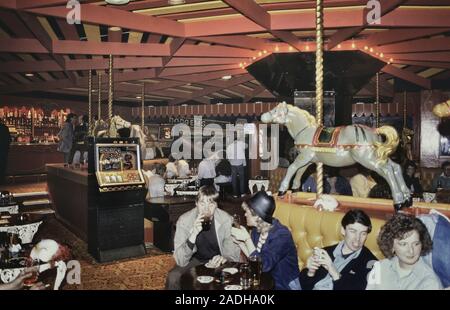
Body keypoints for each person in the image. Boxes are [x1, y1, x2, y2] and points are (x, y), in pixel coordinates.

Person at [165, 185, 240, 290]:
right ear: (196, 204)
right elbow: (180, 260)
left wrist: (223, 259)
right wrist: (193, 234)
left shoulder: (226, 220)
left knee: (230, 279)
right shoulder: (184, 221)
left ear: (216, 205)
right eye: (202, 203)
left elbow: (233, 256)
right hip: (195, 259)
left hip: (218, 260)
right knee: (173, 277)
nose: (206, 209)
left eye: (211, 204)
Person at [231, 191, 301, 290]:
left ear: (257, 215)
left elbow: (264, 266)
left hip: (285, 284)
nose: (245, 215)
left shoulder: (282, 235)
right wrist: (241, 244)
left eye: (247, 212)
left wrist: (247, 239)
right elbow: (255, 260)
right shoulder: (257, 229)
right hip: (266, 281)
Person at [299, 209, 377, 290]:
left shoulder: (371, 264)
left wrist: (334, 272)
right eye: (353, 231)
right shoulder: (326, 252)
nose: (357, 239)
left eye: (363, 233)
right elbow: (304, 286)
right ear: (343, 230)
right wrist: (310, 273)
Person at [366, 213, 442, 290]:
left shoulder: (430, 282)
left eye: (416, 244)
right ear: (391, 245)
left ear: (422, 244)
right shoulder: (380, 268)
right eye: (403, 244)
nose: (411, 251)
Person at [226, 131, 248, 197]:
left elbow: (227, 157)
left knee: (234, 179)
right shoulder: (241, 143)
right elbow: (246, 146)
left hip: (233, 163)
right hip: (240, 163)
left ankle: (235, 194)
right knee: (241, 179)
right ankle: (242, 193)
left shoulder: (229, 146)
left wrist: (231, 161)